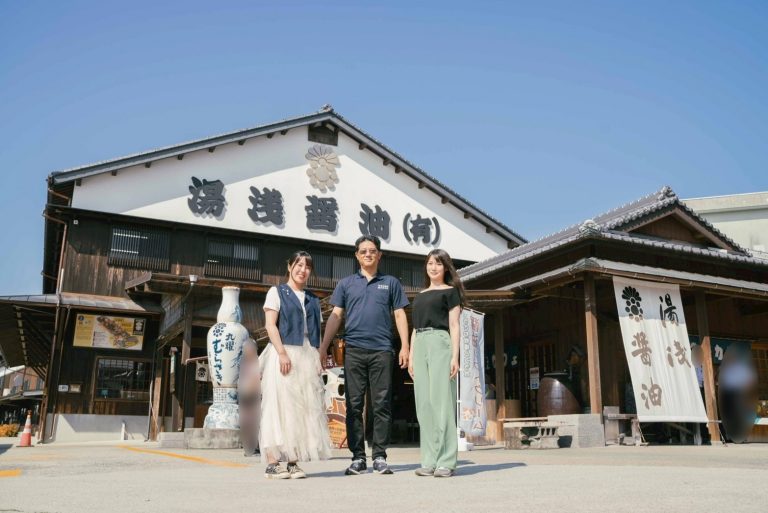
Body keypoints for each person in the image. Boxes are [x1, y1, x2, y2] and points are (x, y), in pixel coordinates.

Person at [320, 235, 410, 475]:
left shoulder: (390, 283)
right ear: (357, 255)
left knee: (382, 404)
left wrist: (405, 346)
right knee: (353, 405)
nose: (368, 254)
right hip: (355, 351)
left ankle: (379, 456)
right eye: (363, 251)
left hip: (382, 350)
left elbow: (400, 314)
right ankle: (358, 457)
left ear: (379, 255)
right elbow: (336, 315)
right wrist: (323, 346)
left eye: (373, 250)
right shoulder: (346, 284)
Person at [259, 251, 331, 479]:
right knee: (279, 406)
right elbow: (271, 326)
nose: (302, 270)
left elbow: (315, 333)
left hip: (307, 355)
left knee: (302, 409)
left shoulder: (313, 299)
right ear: (289, 266)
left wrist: (320, 356)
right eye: (298, 265)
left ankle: (292, 460)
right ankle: (272, 463)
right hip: (284, 352)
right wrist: (281, 353)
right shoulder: (276, 292)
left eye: (307, 266)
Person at [408, 249, 465, 478]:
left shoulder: (451, 292)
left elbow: (454, 325)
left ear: (446, 268)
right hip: (420, 343)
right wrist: (411, 356)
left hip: (441, 342)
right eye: (430, 263)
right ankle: (429, 460)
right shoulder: (420, 295)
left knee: (442, 402)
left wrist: (455, 356)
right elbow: (414, 328)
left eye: (438, 264)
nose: (433, 267)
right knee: (424, 404)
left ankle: (447, 461)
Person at [238, 338, 261, 457]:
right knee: (245, 422)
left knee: (256, 422)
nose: (246, 352)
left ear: (254, 350)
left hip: (256, 396)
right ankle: (247, 448)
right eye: (244, 350)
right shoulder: (242, 363)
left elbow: (259, 379)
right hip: (244, 396)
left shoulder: (260, 362)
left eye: (249, 350)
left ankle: (256, 447)